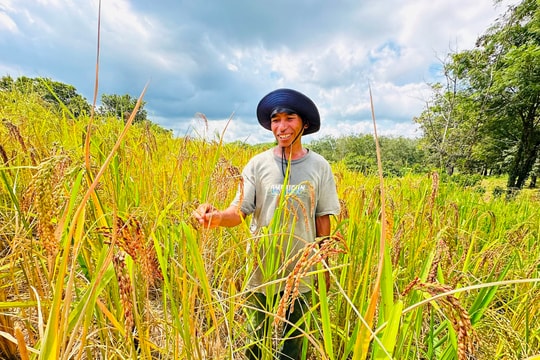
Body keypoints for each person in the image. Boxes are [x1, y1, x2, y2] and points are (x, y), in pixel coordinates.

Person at [193, 88, 340, 359]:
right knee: (255, 342)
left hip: (301, 274)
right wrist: (214, 217)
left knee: (293, 346)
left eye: (289, 118)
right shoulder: (258, 164)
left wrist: (324, 268)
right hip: (261, 274)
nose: (281, 127)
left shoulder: (320, 167)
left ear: (304, 124)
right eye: (276, 120)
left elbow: (322, 219)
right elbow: (238, 212)